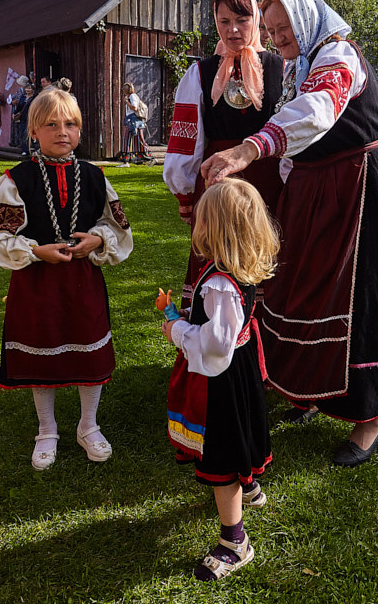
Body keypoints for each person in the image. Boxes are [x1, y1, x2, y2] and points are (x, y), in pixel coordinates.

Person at [200, 0, 378, 467]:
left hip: (356, 187)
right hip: (312, 188)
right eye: (269, 30)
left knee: (357, 295)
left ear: (308, 20)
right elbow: (296, 136)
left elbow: (315, 113)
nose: (275, 37)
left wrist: (248, 150)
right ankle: (310, 390)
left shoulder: (337, 56)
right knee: (299, 285)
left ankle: (370, 420)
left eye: (282, 27)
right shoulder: (297, 64)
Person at [0, 88, 133, 469]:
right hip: (37, 283)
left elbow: (120, 230)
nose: (63, 131)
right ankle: (47, 429)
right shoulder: (17, 179)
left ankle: (88, 426)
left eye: (71, 124)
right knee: (41, 351)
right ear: (34, 131)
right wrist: (32, 251)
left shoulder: (95, 177)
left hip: (83, 280)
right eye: (52, 124)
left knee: (88, 352)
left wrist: (98, 239)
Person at [163, 178, 277, 581]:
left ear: (213, 228)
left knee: (222, 455)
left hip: (221, 380)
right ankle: (251, 488)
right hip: (240, 371)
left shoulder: (217, 284)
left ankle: (235, 541)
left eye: (201, 218)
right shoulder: (239, 271)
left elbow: (214, 346)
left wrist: (175, 330)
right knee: (243, 431)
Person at [163, 0, 286, 306]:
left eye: (241, 20)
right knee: (217, 259)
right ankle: (211, 338)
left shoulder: (283, 68)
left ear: (256, 20)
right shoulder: (199, 73)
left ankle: (260, 346)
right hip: (217, 183)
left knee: (264, 261)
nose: (232, 29)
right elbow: (186, 140)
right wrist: (186, 194)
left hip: (271, 187)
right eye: (224, 21)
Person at [120, 82, 153, 166]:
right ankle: (141, 158)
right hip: (134, 121)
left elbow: (134, 107)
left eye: (124, 88)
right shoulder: (131, 96)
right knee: (136, 139)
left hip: (134, 121)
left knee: (128, 139)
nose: (123, 90)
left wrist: (126, 102)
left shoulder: (132, 96)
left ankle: (127, 161)